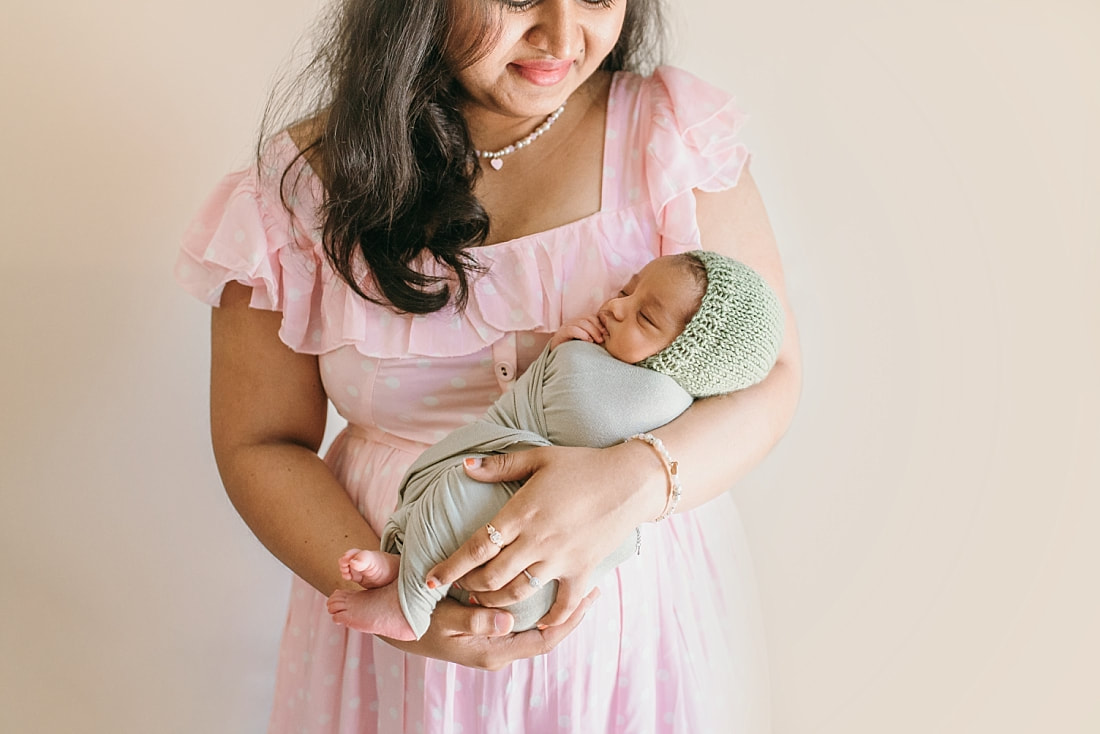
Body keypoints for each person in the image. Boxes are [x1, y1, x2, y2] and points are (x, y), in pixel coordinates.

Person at [175, 0, 802, 731]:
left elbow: (771, 377)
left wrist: (631, 480)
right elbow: (261, 442)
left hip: (630, 634)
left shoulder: (671, 139)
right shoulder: (296, 191)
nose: (564, 37)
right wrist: (400, 595)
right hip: (398, 642)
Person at [326, 250, 786, 641]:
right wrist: (558, 351)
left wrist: (567, 355)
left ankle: (409, 604)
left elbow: (578, 411)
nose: (618, 307)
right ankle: (403, 564)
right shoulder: (609, 359)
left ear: (683, 358)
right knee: (447, 487)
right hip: (506, 523)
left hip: (536, 568)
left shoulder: (658, 398)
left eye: (645, 317)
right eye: (627, 291)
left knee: (459, 493)